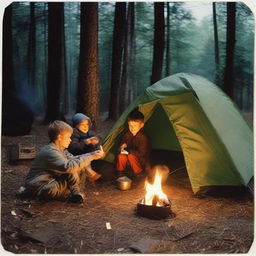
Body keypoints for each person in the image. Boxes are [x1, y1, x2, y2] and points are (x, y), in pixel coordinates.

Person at [17, 120, 104, 203]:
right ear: (59, 137)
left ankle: (74, 192)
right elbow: (68, 166)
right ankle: (72, 192)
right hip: (40, 185)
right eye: (68, 137)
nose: (70, 140)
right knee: (56, 184)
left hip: (52, 180)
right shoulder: (50, 151)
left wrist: (92, 154)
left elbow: (74, 158)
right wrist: (91, 157)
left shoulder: (61, 149)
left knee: (76, 165)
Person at [116, 109, 151, 177]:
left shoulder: (143, 137)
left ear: (141, 125)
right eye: (130, 125)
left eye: (135, 125)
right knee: (121, 155)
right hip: (129, 161)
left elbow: (142, 153)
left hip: (141, 160)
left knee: (131, 155)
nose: (132, 128)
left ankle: (138, 172)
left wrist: (129, 151)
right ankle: (120, 172)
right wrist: (121, 148)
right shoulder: (127, 135)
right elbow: (119, 149)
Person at [67, 113, 102, 182]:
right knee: (85, 159)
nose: (85, 127)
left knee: (94, 153)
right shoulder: (74, 133)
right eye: (82, 125)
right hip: (75, 154)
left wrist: (96, 143)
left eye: (87, 124)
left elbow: (97, 140)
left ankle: (90, 175)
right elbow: (73, 148)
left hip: (87, 152)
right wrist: (84, 142)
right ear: (76, 125)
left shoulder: (90, 133)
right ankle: (90, 173)